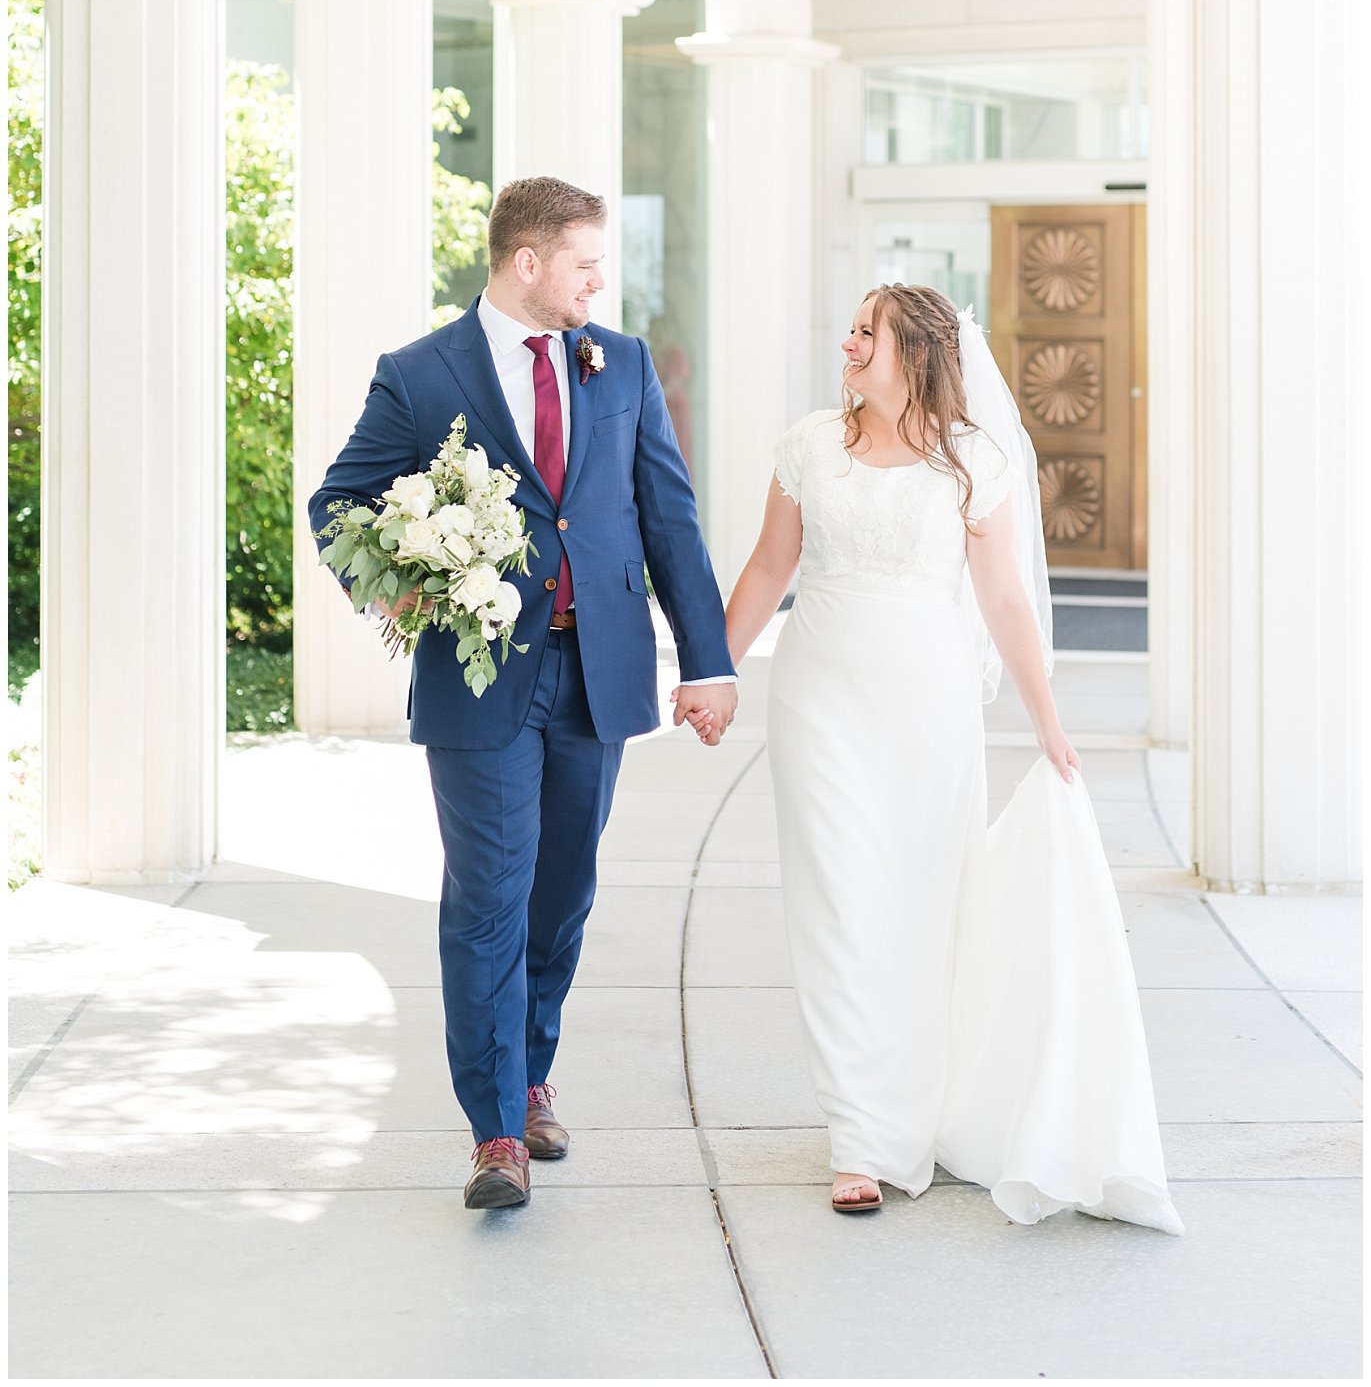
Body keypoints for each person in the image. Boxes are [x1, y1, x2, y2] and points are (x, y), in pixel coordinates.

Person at [691, 283, 1182, 1233]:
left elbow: (1003, 604)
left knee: (921, 901)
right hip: (817, 701)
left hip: (928, 706)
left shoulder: (973, 464)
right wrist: (714, 671)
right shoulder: (808, 448)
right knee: (836, 901)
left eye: (864, 331)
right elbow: (765, 567)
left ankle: (921, 1102)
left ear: (913, 352)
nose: (846, 341)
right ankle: (859, 1138)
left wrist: (1046, 719)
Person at [309, 176, 736, 1210]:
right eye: (587, 261)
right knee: (490, 895)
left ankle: (531, 1068)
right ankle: (496, 1127)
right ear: (528, 261)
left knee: (560, 895)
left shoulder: (621, 363)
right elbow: (339, 505)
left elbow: (667, 520)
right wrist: (417, 577)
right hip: (480, 676)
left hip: (600, 674)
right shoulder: (418, 375)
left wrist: (709, 658)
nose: (602, 279)